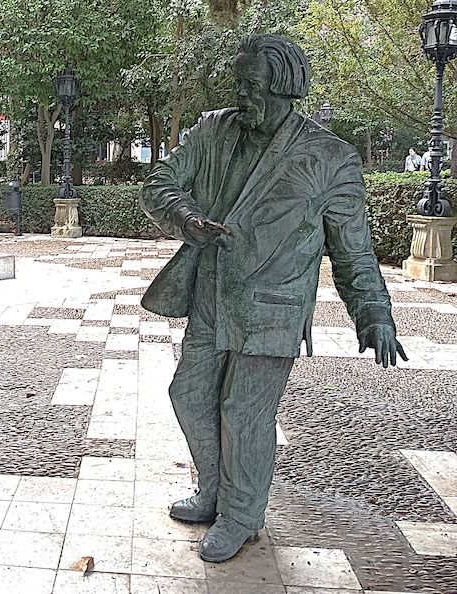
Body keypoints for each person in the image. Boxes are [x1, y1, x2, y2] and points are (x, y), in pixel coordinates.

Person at [139, 34, 406, 564]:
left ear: (284, 87)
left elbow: (353, 251)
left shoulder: (331, 159)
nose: (241, 94)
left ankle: (241, 514)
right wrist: (187, 219)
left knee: (245, 413)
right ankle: (214, 490)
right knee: (189, 394)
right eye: (237, 83)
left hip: (275, 308)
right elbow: (159, 184)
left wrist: (373, 311)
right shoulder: (213, 130)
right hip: (213, 292)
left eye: (251, 85)